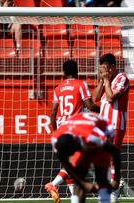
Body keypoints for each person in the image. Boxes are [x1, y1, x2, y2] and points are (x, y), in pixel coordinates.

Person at [45, 60, 100, 203]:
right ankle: (53, 184)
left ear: (63, 73)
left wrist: (55, 132)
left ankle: (73, 198)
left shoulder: (58, 89)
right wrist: (103, 109)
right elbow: (89, 105)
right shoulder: (81, 84)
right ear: (77, 71)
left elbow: (52, 113)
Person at [51, 112, 121, 203]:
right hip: (82, 129)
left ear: (76, 145)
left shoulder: (94, 138)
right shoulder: (55, 140)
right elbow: (65, 163)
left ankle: (104, 199)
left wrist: (116, 179)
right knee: (79, 177)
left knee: (101, 176)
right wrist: (82, 183)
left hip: (103, 128)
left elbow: (115, 152)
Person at [92, 53, 129, 202]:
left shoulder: (122, 78)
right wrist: (102, 80)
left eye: (105, 68)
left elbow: (111, 97)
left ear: (112, 66)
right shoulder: (106, 80)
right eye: (101, 69)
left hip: (116, 123)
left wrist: (106, 80)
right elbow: (95, 98)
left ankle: (114, 190)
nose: (103, 72)